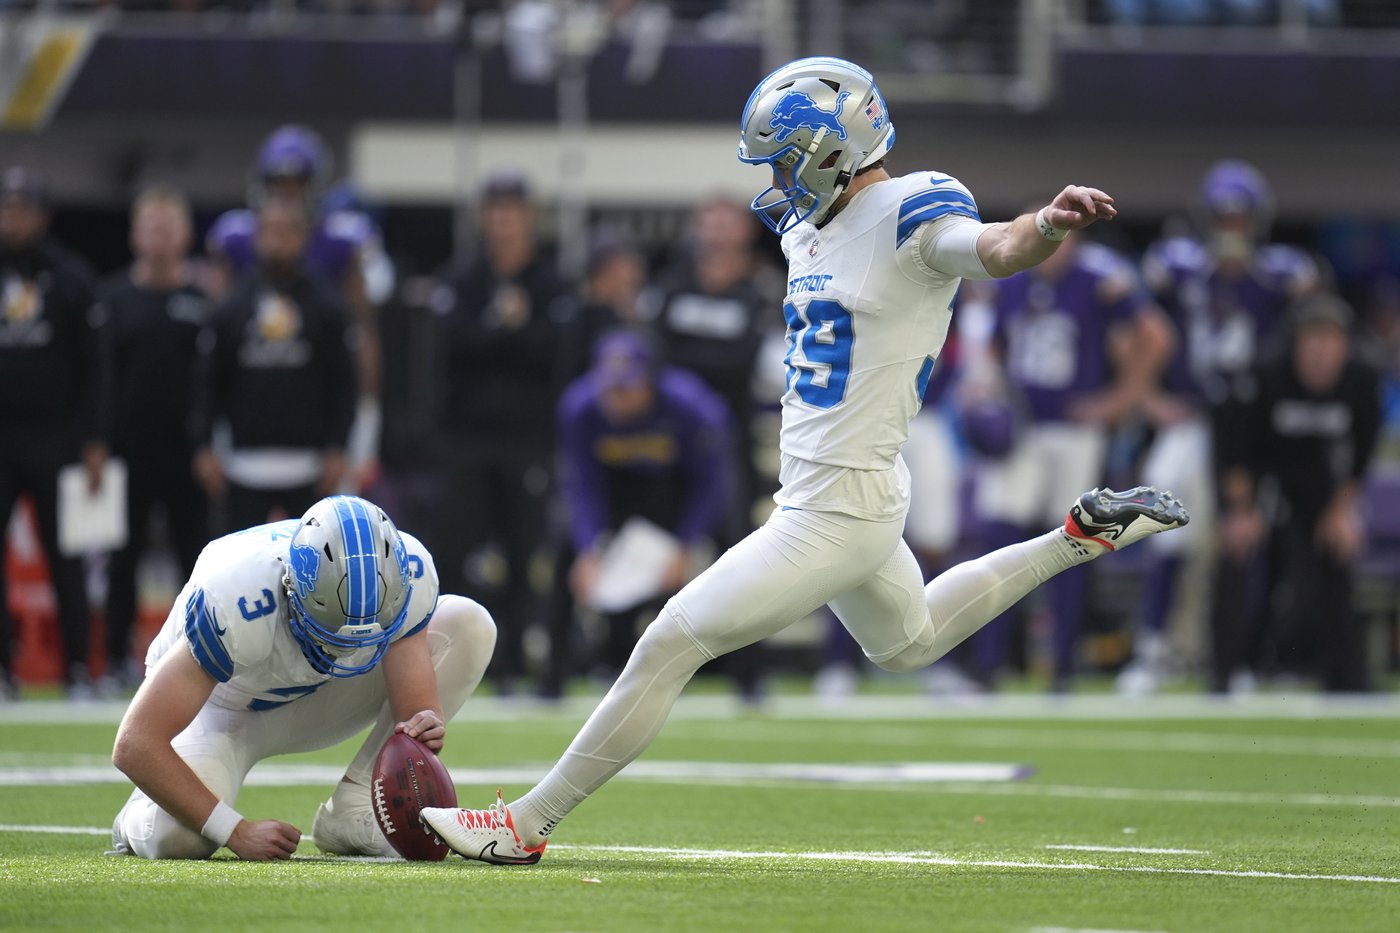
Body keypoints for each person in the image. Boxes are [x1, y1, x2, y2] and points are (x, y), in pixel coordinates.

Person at [421, 56, 1188, 864]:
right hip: (848, 488)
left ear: (833, 149)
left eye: (788, 158)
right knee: (909, 642)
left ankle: (525, 825)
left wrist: (1047, 226)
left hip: (833, 507)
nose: (780, 179)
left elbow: (992, 247)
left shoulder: (912, 211)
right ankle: (1082, 535)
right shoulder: (810, 225)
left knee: (670, 640)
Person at [108, 494, 497, 860]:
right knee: (180, 837)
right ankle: (133, 819)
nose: (345, 653)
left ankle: (355, 807)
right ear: (293, 591)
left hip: (317, 695)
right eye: (329, 636)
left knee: (469, 624)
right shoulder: (237, 601)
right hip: (221, 710)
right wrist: (236, 831)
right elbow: (135, 742)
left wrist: (425, 724)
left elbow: (412, 715)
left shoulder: (407, 571)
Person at [1121, 160, 1317, 695]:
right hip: (1191, 420)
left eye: (1240, 218)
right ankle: (1154, 651)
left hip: (1252, 430)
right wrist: (1148, 397)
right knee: (1160, 531)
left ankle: (1236, 660)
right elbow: (1139, 330)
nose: (1231, 227)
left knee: (1243, 543)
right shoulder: (1178, 268)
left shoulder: (1281, 276)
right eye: (1223, 217)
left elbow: (1308, 337)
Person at [968, 232, 1170, 689]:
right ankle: (989, 664)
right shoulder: (1011, 280)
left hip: (1076, 430)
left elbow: (1155, 335)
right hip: (1021, 430)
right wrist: (990, 394)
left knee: (1073, 546)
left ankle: (1062, 666)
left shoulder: (1100, 279)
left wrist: (1120, 399)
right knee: (1000, 539)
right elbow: (993, 349)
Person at [431, 170, 577, 691]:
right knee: (455, 552)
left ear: (529, 219)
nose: (504, 225)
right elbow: (452, 348)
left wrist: (494, 338)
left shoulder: (552, 281)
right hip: (467, 441)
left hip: (528, 441)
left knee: (524, 553)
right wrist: (509, 333)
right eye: (496, 213)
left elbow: (554, 353)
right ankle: (454, 662)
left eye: (513, 214)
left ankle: (516, 661)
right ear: (482, 219)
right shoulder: (462, 278)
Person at [1211, 294, 1381, 692]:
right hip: (1261, 473)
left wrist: (1343, 511)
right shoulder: (1264, 374)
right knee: (1240, 553)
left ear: (1344, 346)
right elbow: (1234, 448)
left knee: (1336, 553)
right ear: (1297, 345)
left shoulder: (1363, 378)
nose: (1321, 353)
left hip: (1319, 476)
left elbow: (1363, 451)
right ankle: (1227, 672)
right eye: (1312, 342)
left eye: (1330, 342)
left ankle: (1345, 677)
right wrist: (1242, 510)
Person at [547, 329, 733, 689]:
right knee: (565, 555)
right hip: (617, 492)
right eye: (609, 388)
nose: (616, 399)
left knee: (735, 548)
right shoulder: (579, 409)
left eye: (626, 388)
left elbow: (713, 484)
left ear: (651, 381)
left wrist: (687, 544)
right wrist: (590, 548)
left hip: (678, 489)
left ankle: (746, 675)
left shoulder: (692, 407)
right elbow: (582, 486)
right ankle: (559, 677)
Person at [91, 186, 215, 692]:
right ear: (135, 235)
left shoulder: (202, 303)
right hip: (127, 453)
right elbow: (96, 379)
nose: (161, 237)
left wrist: (210, 444)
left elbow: (214, 384)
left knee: (198, 562)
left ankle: (198, 660)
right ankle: (118, 660)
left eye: (169, 227)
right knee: (123, 561)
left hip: (189, 455)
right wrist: (95, 442)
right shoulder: (113, 299)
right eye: (151, 227)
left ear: (185, 235)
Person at [192, 197, 358, 534]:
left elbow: (344, 381)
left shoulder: (327, 305)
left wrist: (339, 446)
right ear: (257, 238)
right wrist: (204, 445)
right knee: (242, 571)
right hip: (242, 466)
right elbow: (208, 379)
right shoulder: (233, 304)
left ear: (304, 238)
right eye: (270, 232)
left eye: (286, 232)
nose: (278, 241)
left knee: (315, 574)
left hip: (309, 466)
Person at [0, 167, 100, 701]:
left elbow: (93, 365)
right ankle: (4, 670)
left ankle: (80, 667)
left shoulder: (70, 278)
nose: (13, 217)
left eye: (22, 208)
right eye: (6, 207)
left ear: (42, 215)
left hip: (54, 437)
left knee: (66, 555)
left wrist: (93, 439)